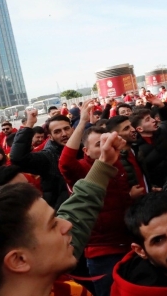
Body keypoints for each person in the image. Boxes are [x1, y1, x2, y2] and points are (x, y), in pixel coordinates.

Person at [0, 131, 123, 296]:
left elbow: (77, 211)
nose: (68, 224)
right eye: (53, 225)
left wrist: (104, 165)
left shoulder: (44, 264)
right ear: (19, 260)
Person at [58, 102, 138, 296]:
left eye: (106, 141)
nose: (105, 147)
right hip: (103, 252)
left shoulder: (117, 161)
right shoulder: (82, 169)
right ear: (85, 152)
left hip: (128, 242)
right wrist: (83, 121)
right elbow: (65, 162)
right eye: (98, 145)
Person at [10, 111, 74, 209]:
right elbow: (18, 158)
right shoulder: (48, 156)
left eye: (66, 129)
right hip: (63, 211)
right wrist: (29, 125)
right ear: (50, 137)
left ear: (73, 129)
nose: (64, 134)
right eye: (57, 131)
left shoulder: (85, 150)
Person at [129, 94, 167, 188]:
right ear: (139, 129)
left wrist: (161, 106)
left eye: (151, 117)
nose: (154, 120)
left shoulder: (162, 132)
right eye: (148, 120)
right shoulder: (135, 148)